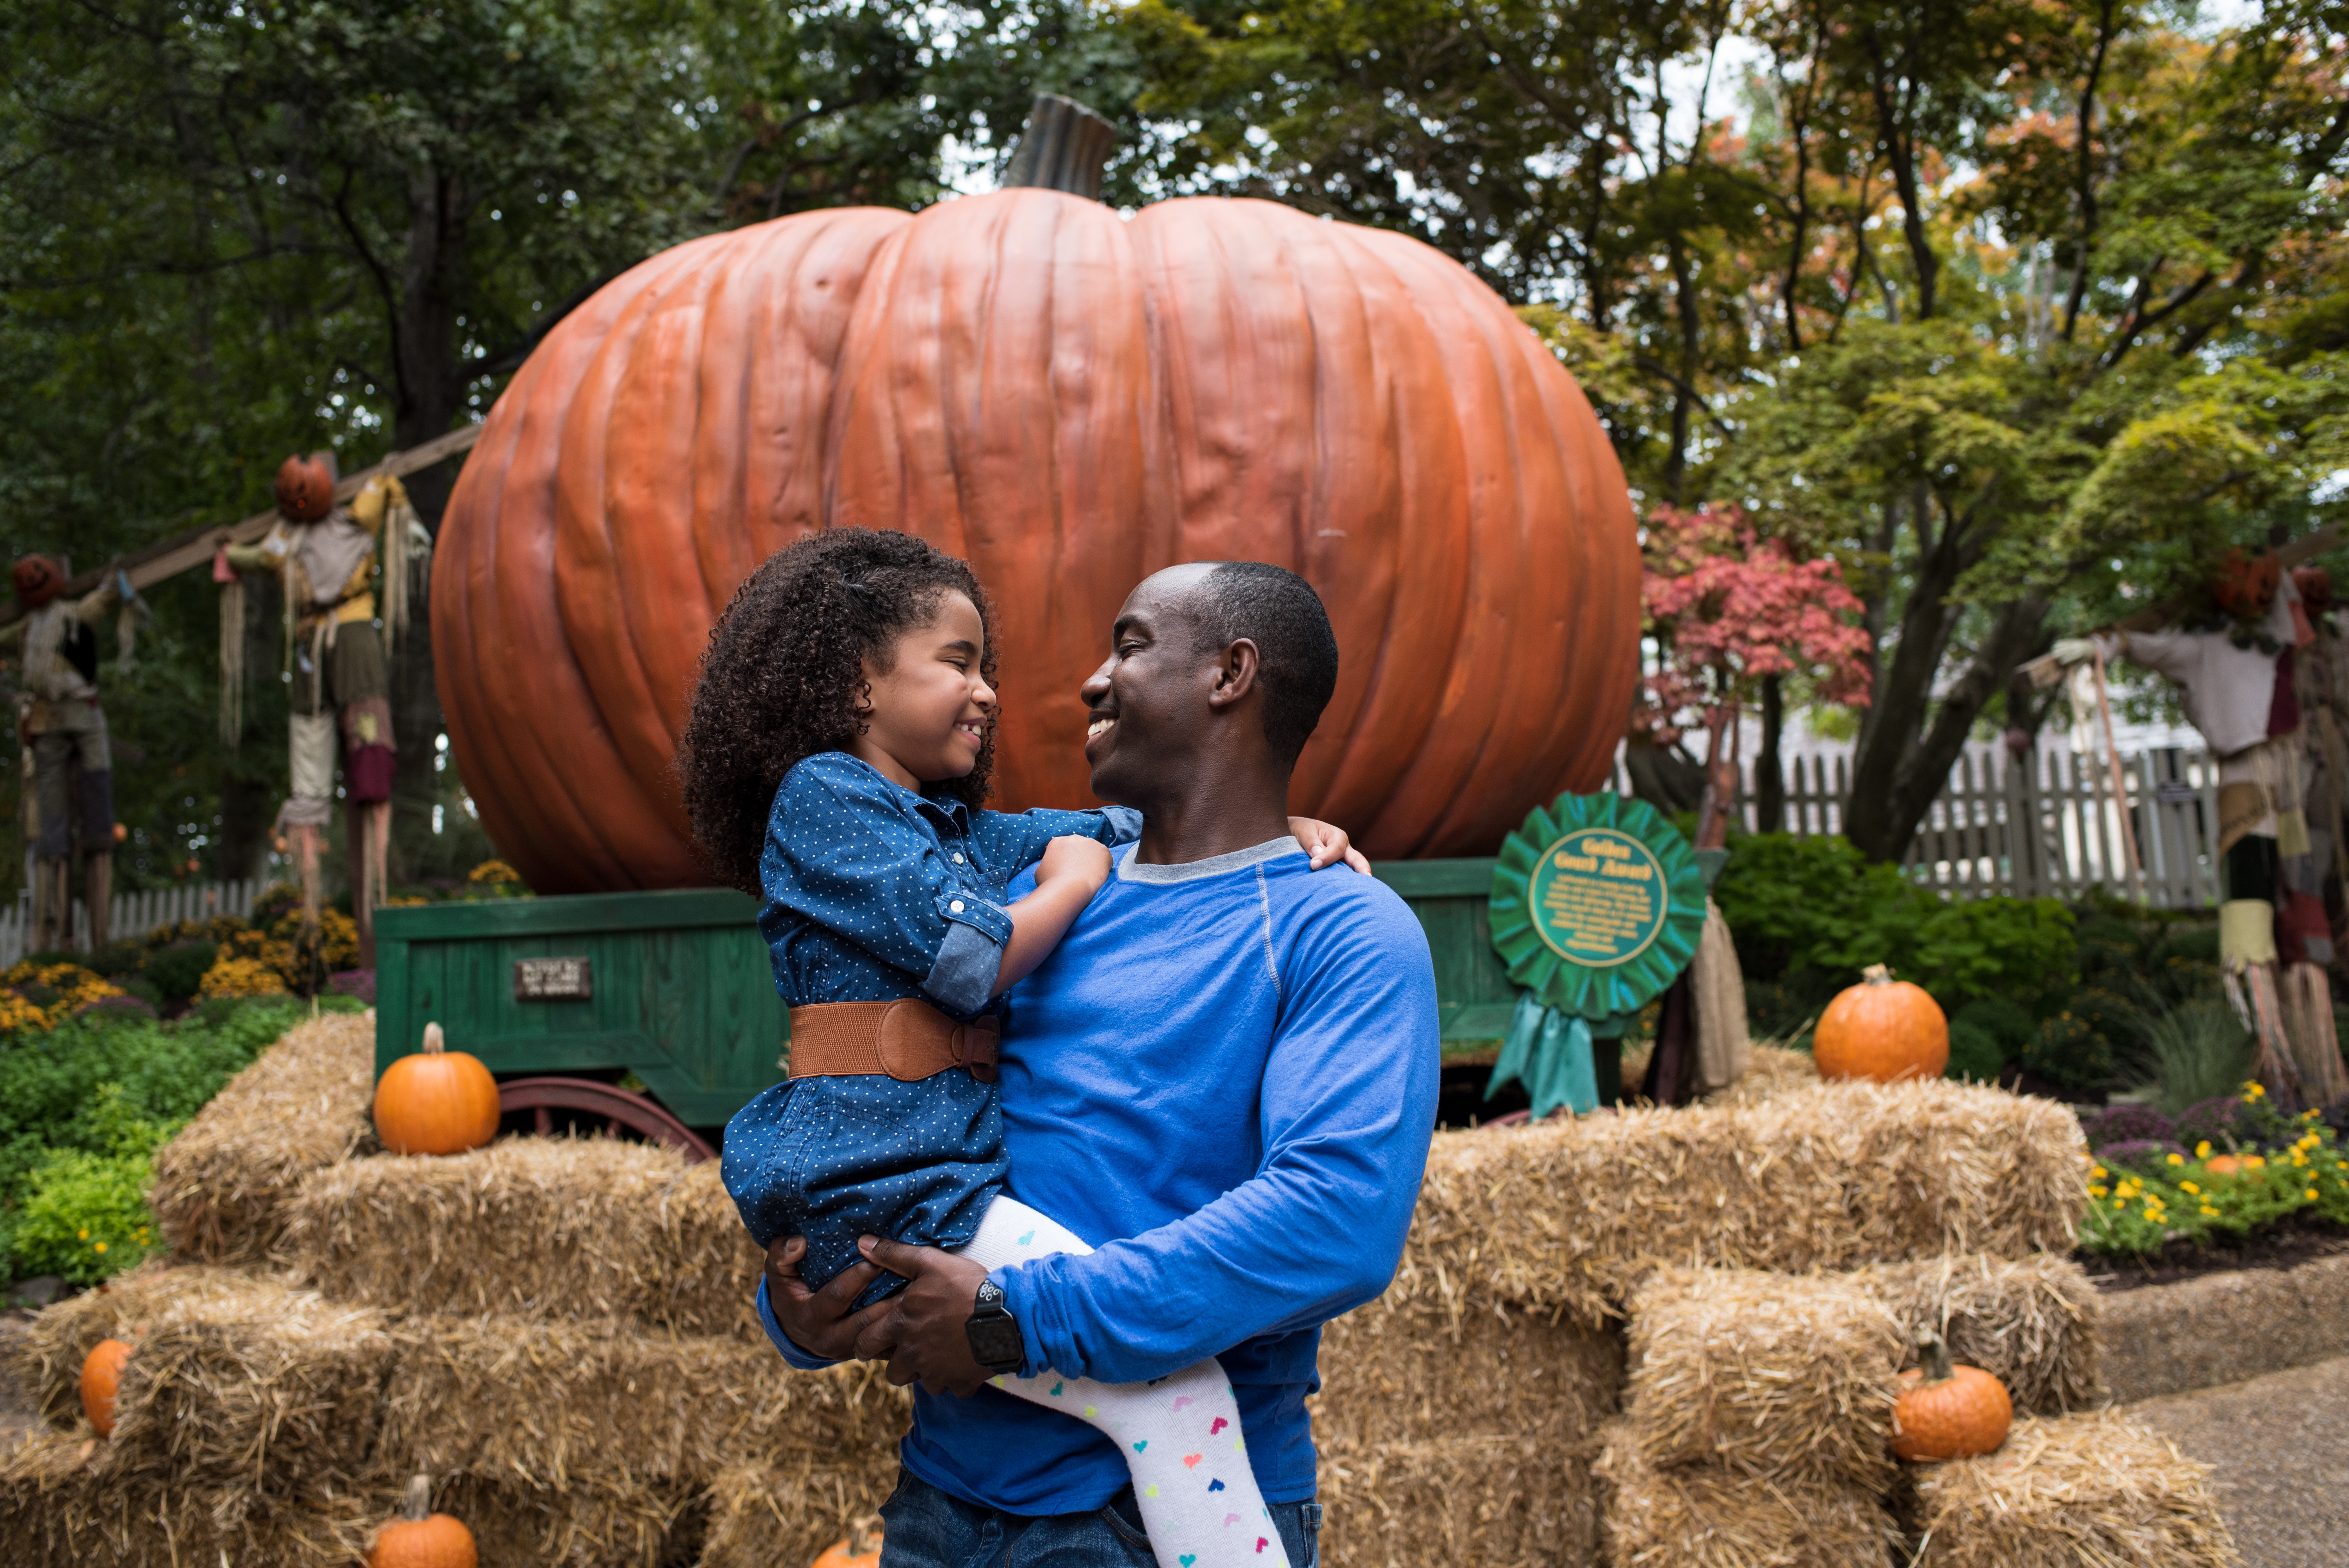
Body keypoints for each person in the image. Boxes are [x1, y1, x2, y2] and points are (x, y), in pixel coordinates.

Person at [681, 533, 1372, 1568]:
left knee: (1185, 1412)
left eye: (1128, 647)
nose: (1045, 687)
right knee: (1177, 1410)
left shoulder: (1328, 925)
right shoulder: (986, 873)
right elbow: (955, 980)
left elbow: (1334, 1228)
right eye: (961, 665)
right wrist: (802, 1317)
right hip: (947, 1491)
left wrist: (1285, 828)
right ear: (860, 682)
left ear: (1232, 674)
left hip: (1115, 1523)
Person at [3, 556, 134, 951]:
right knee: (50, 803)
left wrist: (114, 581)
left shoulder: (73, 615)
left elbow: (103, 601)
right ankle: (52, 918)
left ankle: (97, 845)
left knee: (97, 783)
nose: (32, 580)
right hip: (47, 721)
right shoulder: (27, 627)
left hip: (83, 714)